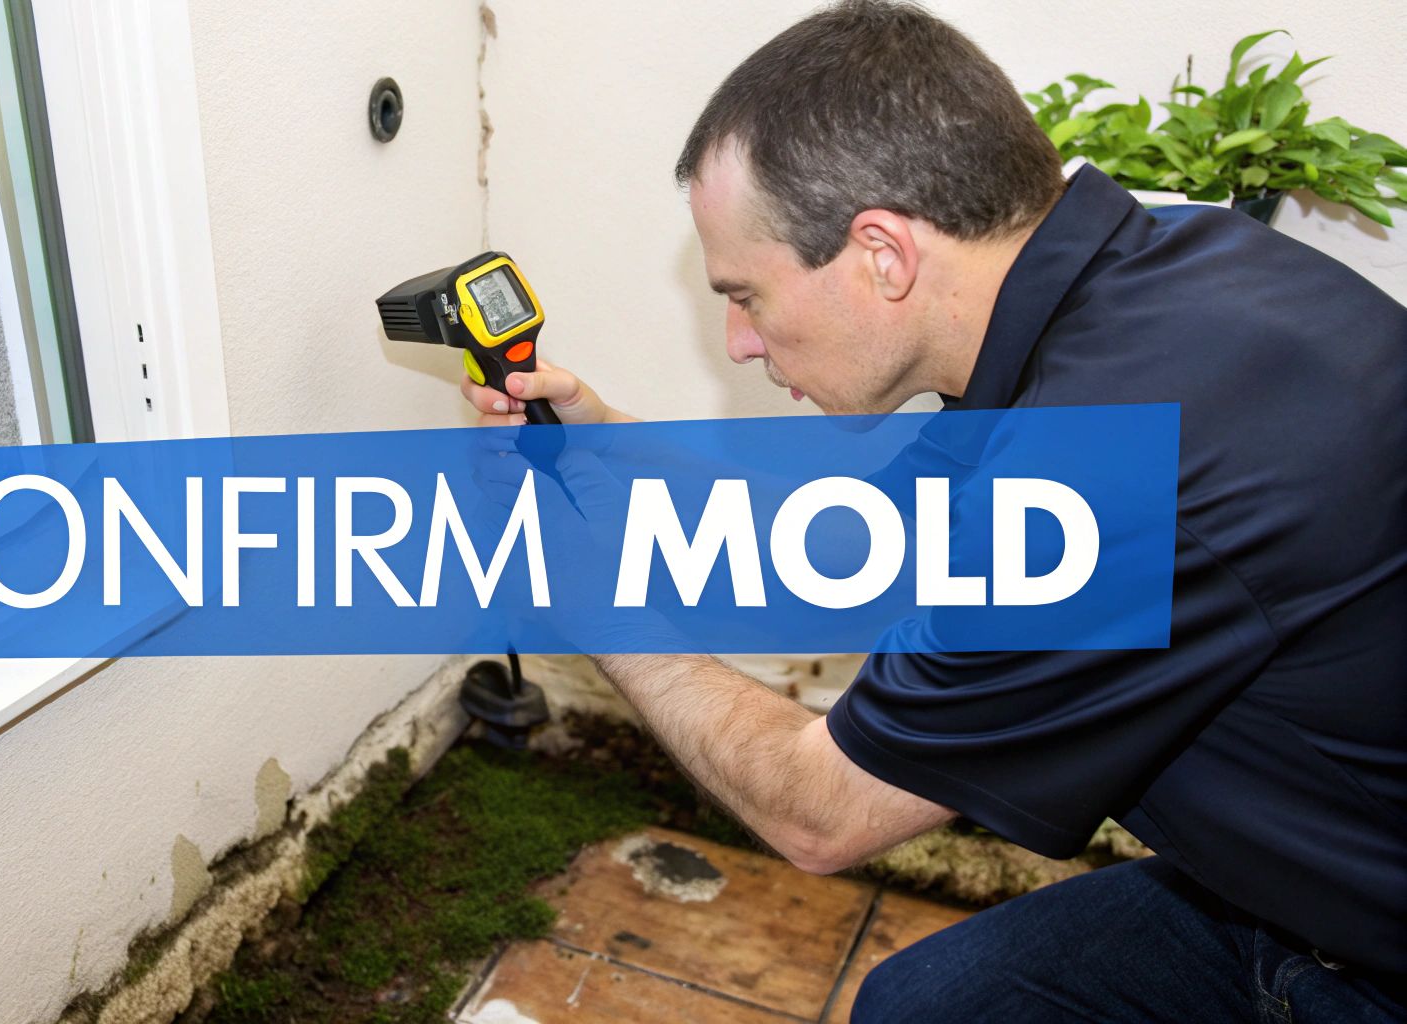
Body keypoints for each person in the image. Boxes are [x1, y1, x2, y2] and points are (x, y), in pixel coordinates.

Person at [457, 2, 1407, 1020]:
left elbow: (819, 810)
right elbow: (849, 538)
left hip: (1366, 958)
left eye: (747, 296)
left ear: (881, 253)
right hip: (1288, 883)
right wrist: (602, 437)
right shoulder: (1147, 276)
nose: (736, 340)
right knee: (923, 1001)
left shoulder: (1101, 467)